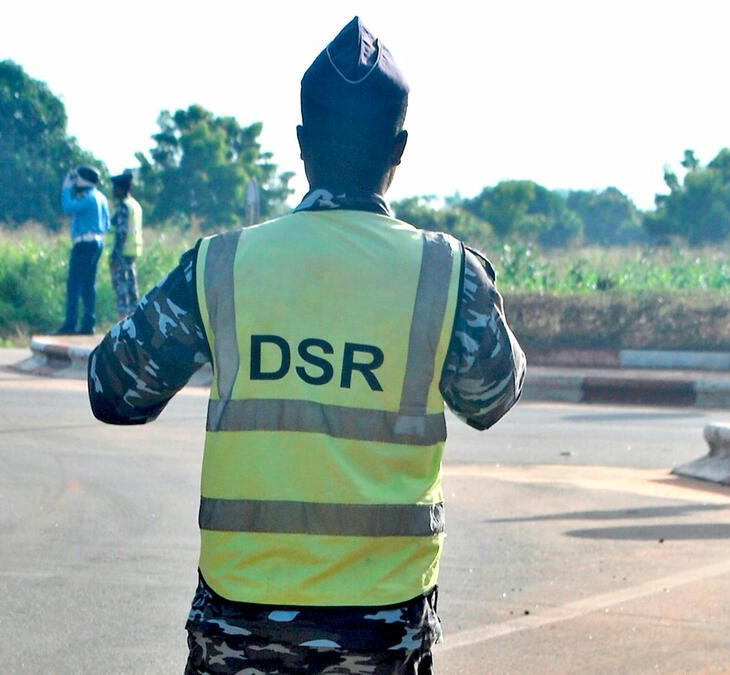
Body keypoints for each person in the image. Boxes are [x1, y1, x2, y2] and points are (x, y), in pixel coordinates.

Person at [87, 16, 526, 674]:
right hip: (383, 628)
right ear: (399, 148)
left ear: (301, 143)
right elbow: (493, 395)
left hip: (240, 623)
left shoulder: (222, 265)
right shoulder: (444, 273)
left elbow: (112, 390)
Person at [58, 165, 111, 335]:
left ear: (84, 179)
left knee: (74, 283)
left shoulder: (88, 198)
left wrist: (66, 187)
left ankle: (70, 323)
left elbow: (67, 207)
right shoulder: (101, 197)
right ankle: (89, 323)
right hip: (97, 242)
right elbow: (107, 224)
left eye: (77, 178)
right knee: (89, 284)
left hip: (84, 243)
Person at [108, 171, 144, 320]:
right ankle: (136, 322)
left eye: (115, 188)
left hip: (122, 253)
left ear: (121, 189)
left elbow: (121, 233)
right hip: (133, 252)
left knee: (122, 290)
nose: (113, 191)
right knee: (132, 288)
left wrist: (114, 257)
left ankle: (122, 321)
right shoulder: (135, 205)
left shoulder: (123, 207)